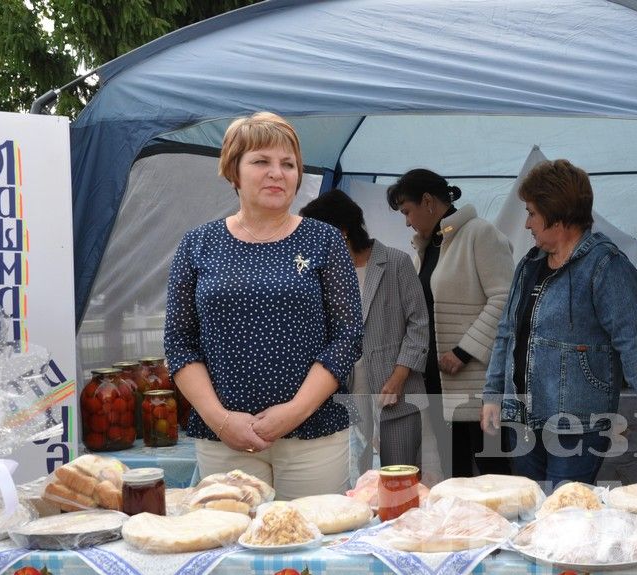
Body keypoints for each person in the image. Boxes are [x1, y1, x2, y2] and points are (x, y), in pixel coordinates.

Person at [164, 112, 363, 500]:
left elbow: (348, 336)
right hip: (224, 440)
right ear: (233, 171)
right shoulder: (197, 244)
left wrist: (294, 412)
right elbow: (179, 343)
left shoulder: (324, 241)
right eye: (261, 161)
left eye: (288, 164)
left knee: (311, 548)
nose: (277, 173)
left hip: (313, 435)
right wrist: (220, 421)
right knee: (229, 544)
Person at [481, 159, 637, 488]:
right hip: (523, 419)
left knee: (565, 518)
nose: (527, 223)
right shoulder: (529, 265)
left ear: (556, 213)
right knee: (532, 509)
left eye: (531, 212)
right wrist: (492, 395)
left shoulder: (606, 266)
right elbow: (506, 334)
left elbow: (633, 342)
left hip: (578, 423)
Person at [299, 190, 441, 482]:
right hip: (345, 392)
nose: (311, 242)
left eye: (316, 233)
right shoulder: (322, 272)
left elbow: (419, 324)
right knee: (353, 480)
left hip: (397, 390)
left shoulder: (396, 262)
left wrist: (399, 376)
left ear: (341, 231)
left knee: (400, 481)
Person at [387, 168, 514, 478]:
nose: (406, 221)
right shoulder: (427, 247)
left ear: (428, 201)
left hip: (476, 381)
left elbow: (505, 300)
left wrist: (463, 351)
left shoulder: (480, 234)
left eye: (407, 211)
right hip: (437, 380)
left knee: (492, 473)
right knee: (454, 471)